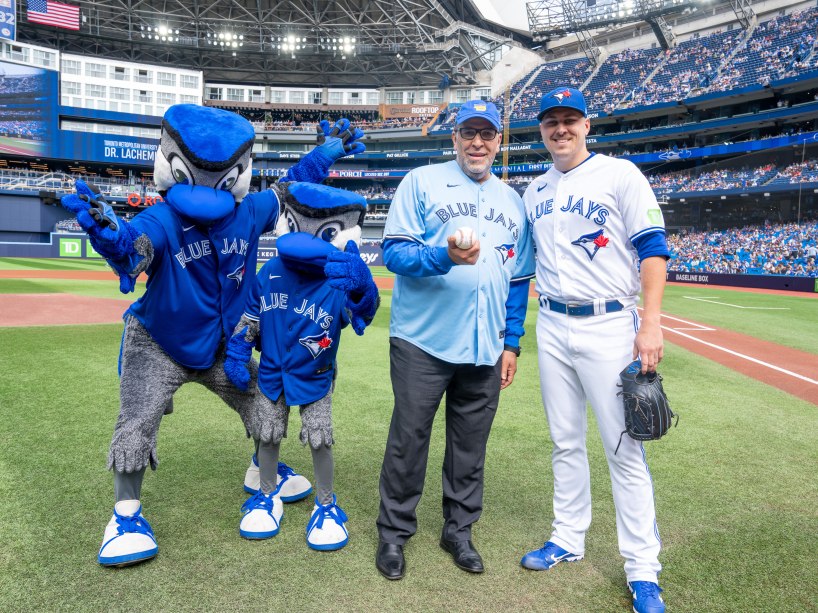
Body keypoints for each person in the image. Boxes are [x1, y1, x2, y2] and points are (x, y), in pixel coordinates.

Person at [520, 86, 670, 613]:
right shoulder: (533, 189)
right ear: (541, 130)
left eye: (570, 120)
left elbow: (653, 248)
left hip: (610, 322)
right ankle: (567, 536)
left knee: (624, 449)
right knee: (564, 440)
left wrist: (649, 325)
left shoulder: (620, 173)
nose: (560, 129)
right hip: (553, 324)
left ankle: (643, 569)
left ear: (587, 125)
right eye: (550, 121)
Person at [374, 100, 535, 579]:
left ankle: (458, 532)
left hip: (485, 345)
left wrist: (512, 343)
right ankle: (393, 534)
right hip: (423, 341)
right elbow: (395, 254)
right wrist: (442, 258)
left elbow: (519, 278)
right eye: (469, 133)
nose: (478, 143)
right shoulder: (421, 182)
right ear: (455, 138)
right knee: (410, 439)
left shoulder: (514, 201)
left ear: (499, 141)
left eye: (487, 134)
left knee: (471, 445)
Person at [222, 183, 379, 550]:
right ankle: (266, 494)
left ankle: (326, 505)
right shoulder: (271, 270)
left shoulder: (337, 278)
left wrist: (363, 287)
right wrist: (238, 352)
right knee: (268, 433)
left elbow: (361, 312)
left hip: (316, 376)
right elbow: (250, 318)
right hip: (273, 372)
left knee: (320, 438)